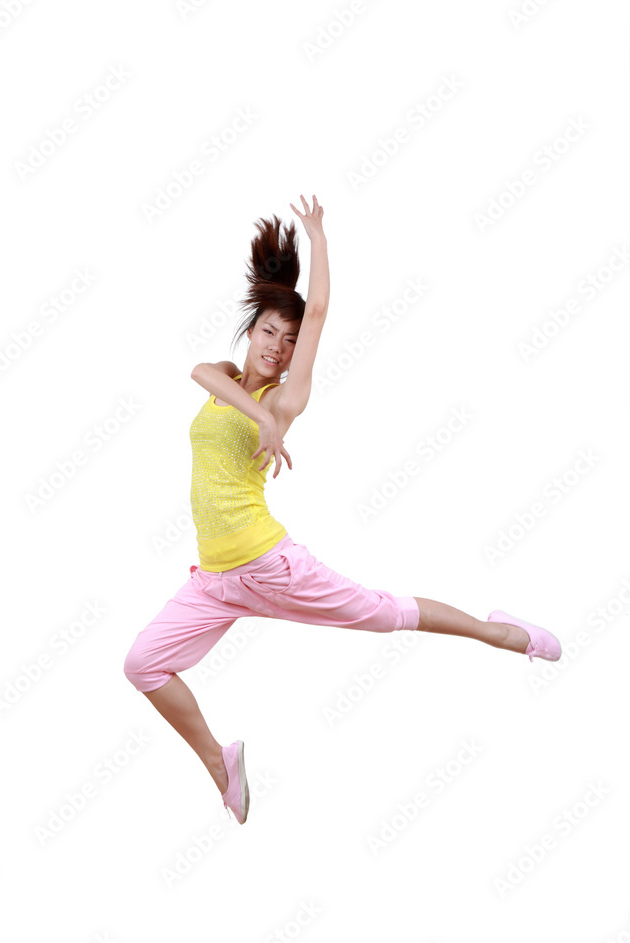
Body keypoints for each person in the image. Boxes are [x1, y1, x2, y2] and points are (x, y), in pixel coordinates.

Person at [123, 195, 561, 825]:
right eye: (269, 332)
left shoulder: (286, 393)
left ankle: (501, 633)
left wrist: (318, 235)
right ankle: (222, 766)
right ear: (250, 333)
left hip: (271, 565)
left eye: (290, 340)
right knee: (142, 664)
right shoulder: (227, 377)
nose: (277, 346)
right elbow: (199, 370)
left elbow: (320, 308)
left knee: (385, 614)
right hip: (215, 581)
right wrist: (256, 419)